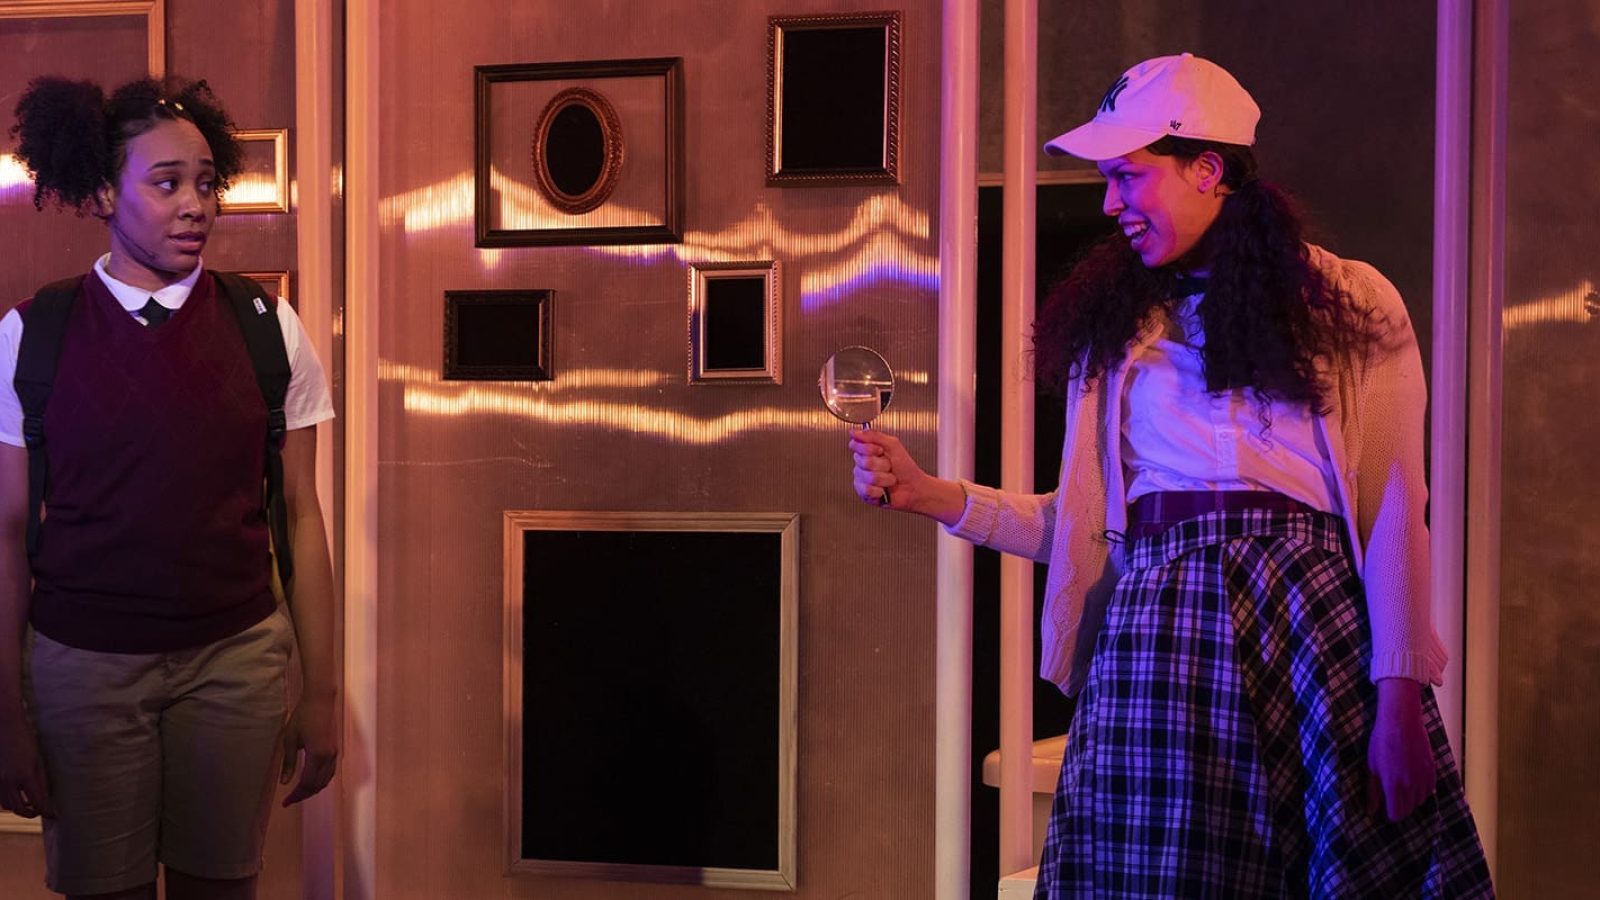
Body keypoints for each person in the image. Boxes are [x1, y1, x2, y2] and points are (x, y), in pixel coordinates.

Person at [849, 53, 1493, 897]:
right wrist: (936, 496)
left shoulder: (1352, 300)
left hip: (1310, 635)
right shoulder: (1120, 333)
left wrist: (1401, 695)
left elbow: (1395, 508)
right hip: (1162, 647)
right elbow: (1083, 528)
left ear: (1209, 168)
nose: (1110, 202)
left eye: (1127, 176)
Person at [0, 75, 338, 899]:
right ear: (105, 192)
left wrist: (324, 693)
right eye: (166, 183)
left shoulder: (268, 330)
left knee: (219, 888)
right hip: (81, 669)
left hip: (235, 663)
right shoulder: (31, 334)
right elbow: (7, 532)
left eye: (205, 181)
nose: (198, 205)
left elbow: (300, 513)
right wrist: (6, 713)